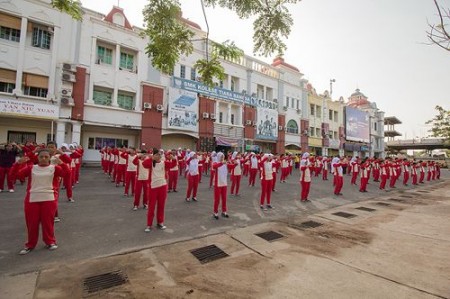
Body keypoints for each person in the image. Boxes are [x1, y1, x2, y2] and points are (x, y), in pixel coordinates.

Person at [11, 148, 70, 254]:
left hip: (49, 199)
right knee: (32, 223)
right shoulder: (31, 168)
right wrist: (17, 164)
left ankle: (50, 241)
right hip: (32, 199)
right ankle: (30, 244)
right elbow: (14, 176)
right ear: (37, 158)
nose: (43, 159)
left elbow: (67, 174)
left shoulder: (54, 168)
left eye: (46, 157)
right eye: (41, 157)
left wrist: (62, 163)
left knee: (48, 223)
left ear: (49, 158)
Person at [142, 148, 175, 232]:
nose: (158, 156)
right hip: (153, 187)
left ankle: (160, 222)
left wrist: (174, 158)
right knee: (151, 207)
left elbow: (172, 165)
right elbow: (144, 164)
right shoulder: (150, 163)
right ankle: (149, 224)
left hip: (163, 186)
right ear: (153, 155)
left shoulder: (164, 163)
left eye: (159, 154)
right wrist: (151, 158)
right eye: (156, 154)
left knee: (161, 205)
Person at [212, 152, 229, 219]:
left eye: (223, 156)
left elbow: (230, 166)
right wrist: (222, 163)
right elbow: (214, 166)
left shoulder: (225, 163)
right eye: (221, 157)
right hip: (218, 184)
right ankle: (215, 212)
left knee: (224, 198)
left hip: (224, 183)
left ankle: (224, 211)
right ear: (219, 157)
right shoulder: (216, 162)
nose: (222, 158)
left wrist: (235, 164)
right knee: (217, 199)